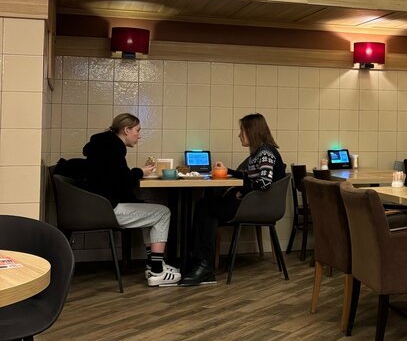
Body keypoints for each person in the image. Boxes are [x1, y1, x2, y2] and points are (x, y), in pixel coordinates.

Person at [180, 113, 286, 286]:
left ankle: (202, 264)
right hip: (256, 203)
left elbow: (264, 183)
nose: (239, 135)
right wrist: (228, 171)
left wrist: (243, 191)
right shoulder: (259, 152)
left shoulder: (265, 153)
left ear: (252, 131)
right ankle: (200, 262)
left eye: (241, 131)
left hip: (259, 206)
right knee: (206, 206)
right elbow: (250, 176)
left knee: (205, 207)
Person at [82, 113, 181, 286]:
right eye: (137, 130)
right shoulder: (114, 149)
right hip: (108, 210)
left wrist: (136, 176)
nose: (139, 135)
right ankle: (157, 272)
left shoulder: (103, 146)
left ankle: (152, 264)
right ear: (126, 130)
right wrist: (139, 172)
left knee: (149, 212)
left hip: (97, 206)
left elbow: (114, 180)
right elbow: (122, 183)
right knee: (163, 212)